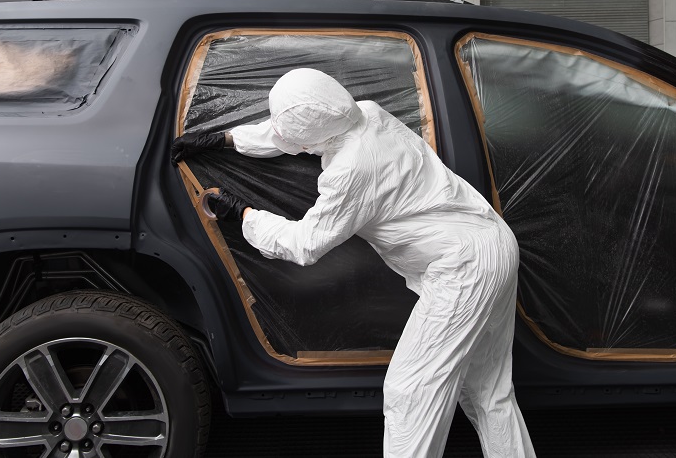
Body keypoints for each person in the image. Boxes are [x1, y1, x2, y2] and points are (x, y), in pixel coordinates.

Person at [172, 67, 536, 458]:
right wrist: (223, 139)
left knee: (410, 389)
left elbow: (305, 244)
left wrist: (244, 215)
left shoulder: (352, 169)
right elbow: (292, 133)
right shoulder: (366, 112)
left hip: (465, 267)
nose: (280, 130)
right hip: (494, 242)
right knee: (488, 391)